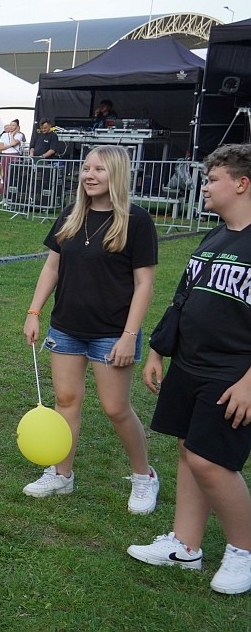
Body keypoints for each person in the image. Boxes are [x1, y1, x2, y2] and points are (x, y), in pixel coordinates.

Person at [129, 144, 251, 595]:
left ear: (242, 183)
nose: (204, 186)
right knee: (188, 451)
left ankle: (243, 550)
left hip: (234, 372)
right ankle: (185, 546)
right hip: (190, 363)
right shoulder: (214, 237)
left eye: (213, 179)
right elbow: (182, 298)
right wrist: (159, 350)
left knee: (211, 459)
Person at [21, 145, 160, 514]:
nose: (89, 175)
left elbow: (144, 284)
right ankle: (62, 474)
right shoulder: (71, 215)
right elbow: (52, 267)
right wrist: (34, 311)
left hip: (113, 332)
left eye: (98, 169)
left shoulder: (136, 221)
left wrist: (130, 336)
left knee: (116, 408)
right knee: (66, 401)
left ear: (115, 174)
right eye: (85, 169)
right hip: (67, 326)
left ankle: (144, 476)